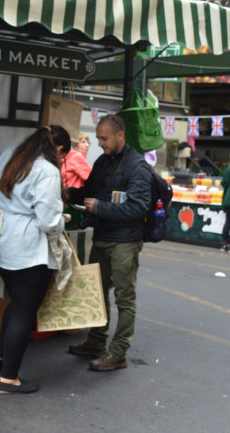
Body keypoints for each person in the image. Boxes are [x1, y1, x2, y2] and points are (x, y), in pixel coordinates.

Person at [0, 125, 71, 394]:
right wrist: (62, 221)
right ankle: (8, 379)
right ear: (58, 149)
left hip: (0, 238)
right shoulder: (46, 169)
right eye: (62, 156)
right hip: (26, 244)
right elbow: (48, 221)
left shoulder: (10, 154)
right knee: (25, 311)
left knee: (16, 302)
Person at [66, 114, 151, 371]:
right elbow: (90, 192)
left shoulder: (138, 166)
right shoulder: (102, 162)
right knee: (97, 293)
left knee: (125, 299)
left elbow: (138, 207)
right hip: (102, 237)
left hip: (125, 241)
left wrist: (100, 207)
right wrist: (68, 192)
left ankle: (118, 352)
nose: (100, 143)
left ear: (120, 135)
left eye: (104, 138)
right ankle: (95, 341)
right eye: (98, 138)